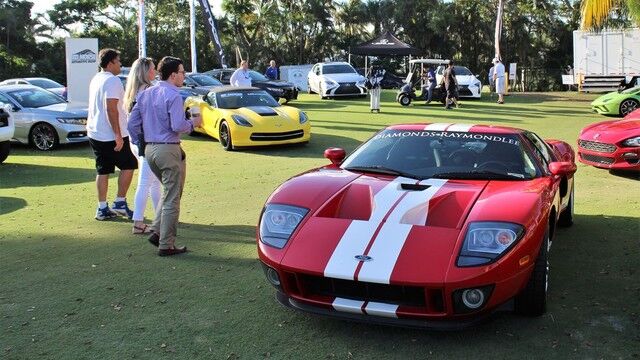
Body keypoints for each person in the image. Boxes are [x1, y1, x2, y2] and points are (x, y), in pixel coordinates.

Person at [128, 56, 203, 256]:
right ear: (172, 75)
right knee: (172, 197)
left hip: (150, 150)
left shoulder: (146, 94)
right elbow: (177, 125)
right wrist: (194, 123)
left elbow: (132, 124)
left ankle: (157, 231)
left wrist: (139, 143)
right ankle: (166, 244)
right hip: (167, 148)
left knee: (170, 191)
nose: (184, 75)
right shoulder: (173, 95)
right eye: (182, 72)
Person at [86, 48, 137, 220]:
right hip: (110, 134)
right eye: (118, 61)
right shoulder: (112, 81)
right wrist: (117, 134)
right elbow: (110, 108)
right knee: (129, 165)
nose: (120, 64)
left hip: (95, 132)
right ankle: (120, 203)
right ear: (110, 63)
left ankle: (102, 208)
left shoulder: (96, 78)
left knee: (103, 170)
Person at [123, 57, 162, 235]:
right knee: (146, 182)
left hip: (137, 141)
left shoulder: (134, 90)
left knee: (153, 182)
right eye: (153, 68)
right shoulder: (148, 91)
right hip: (145, 141)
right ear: (146, 72)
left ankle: (160, 216)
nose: (155, 71)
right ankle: (138, 223)